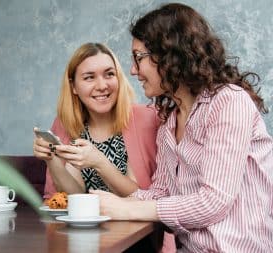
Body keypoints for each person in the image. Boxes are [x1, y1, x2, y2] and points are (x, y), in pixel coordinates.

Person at [91, 3, 273, 253]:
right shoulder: (169, 125)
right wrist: (105, 203)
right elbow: (161, 194)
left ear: (170, 54)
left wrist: (127, 208)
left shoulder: (229, 102)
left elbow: (214, 202)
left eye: (138, 58)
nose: (133, 70)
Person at [33, 42, 175, 252]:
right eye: (89, 77)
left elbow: (145, 198)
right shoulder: (65, 125)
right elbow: (73, 196)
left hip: (141, 241)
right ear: (73, 86)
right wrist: (52, 160)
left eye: (109, 74)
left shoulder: (147, 118)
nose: (102, 85)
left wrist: (99, 162)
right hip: (84, 239)